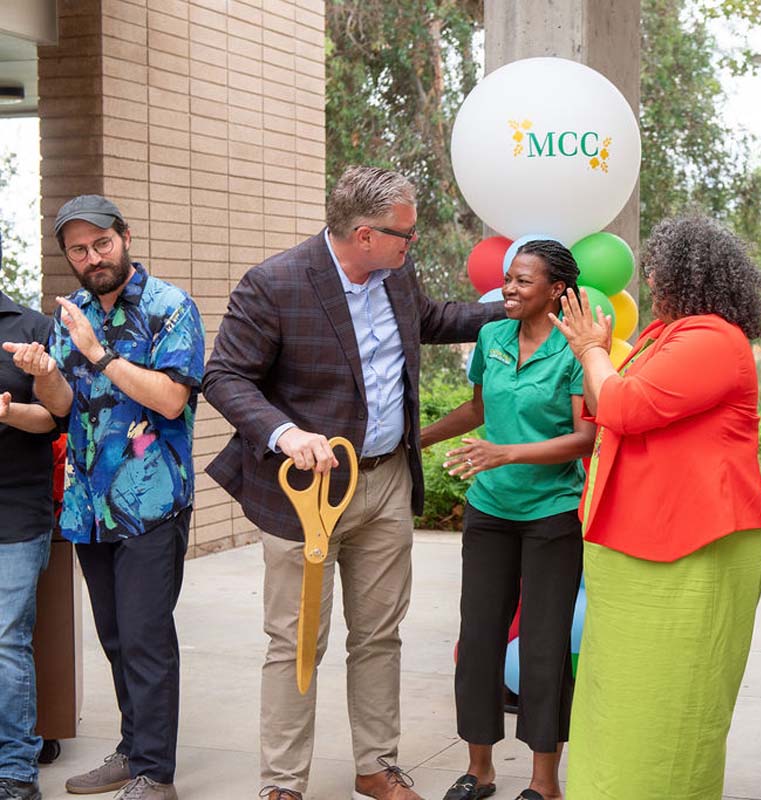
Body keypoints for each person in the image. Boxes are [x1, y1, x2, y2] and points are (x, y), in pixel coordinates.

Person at [202, 166, 502, 800]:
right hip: (306, 496)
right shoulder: (275, 283)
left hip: (388, 483)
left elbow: (433, 320)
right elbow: (225, 376)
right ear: (364, 234)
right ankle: (282, 784)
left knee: (378, 635)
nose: (411, 244)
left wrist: (510, 307)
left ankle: (376, 767)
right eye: (405, 235)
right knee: (295, 641)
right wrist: (286, 434)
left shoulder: (394, 275)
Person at [547, 215, 761, 799]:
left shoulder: (714, 340)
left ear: (687, 276)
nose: (648, 278)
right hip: (636, 544)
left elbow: (622, 407)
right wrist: (597, 362)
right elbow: (604, 405)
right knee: (620, 697)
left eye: (658, 268)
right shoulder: (661, 335)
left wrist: (594, 349)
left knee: (672, 703)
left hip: (693, 548)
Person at [4, 195, 205, 800]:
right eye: (78, 250)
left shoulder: (172, 307)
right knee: (116, 637)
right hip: (90, 505)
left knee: (146, 637)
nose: (92, 257)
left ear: (125, 236)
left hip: (151, 502)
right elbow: (65, 408)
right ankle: (131, 750)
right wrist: (43, 373)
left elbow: (171, 400)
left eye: (102, 243)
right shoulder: (76, 314)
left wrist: (97, 351)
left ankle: (155, 774)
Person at [420, 240, 594, 800]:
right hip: (490, 511)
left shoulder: (575, 349)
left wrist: (508, 452)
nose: (508, 290)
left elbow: (586, 435)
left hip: (552, 515)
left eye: (522, 281)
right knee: (479, 639)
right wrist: (413, 439)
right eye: (507, 279)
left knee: (543, 645)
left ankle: (544, 784)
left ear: (556, 291)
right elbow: (478, 410)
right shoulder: (492, 336)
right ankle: (480, 770)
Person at [0, 290, 58, 800]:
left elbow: (53, 418)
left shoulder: (32, 326)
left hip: (15, 508)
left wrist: (8, 413)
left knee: (5, 637)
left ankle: (16, 772)